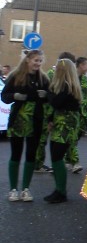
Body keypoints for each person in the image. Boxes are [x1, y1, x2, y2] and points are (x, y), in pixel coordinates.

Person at [1, 49, 49, 201]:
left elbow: (51, 97)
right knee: (16, 154)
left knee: (30, 155)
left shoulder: (43, 78)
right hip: (18, 120)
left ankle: (26, 189)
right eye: (36, 60)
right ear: (28, 60)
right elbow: (4, 96)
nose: (38, 63)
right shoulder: (15, 75)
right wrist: (15, 96)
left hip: (35, 120)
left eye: (40, 61)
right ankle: (13, 189)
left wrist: (46, 95)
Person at [43, 58, 82, 203]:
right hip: (62, 124)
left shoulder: (67, 86)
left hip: (65, 125)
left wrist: (48, 93)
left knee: (57, 157)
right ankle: (59, 189)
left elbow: (56, 102)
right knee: (56, 156)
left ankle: (61, 191)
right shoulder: (69, 85)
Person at [36, 51, 75, 172]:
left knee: (51, 143)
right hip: (50, 111)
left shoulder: (60, 76)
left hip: (53, 112)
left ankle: (42, 163)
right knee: (44, 140)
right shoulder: (54, 75)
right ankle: (39, 164)